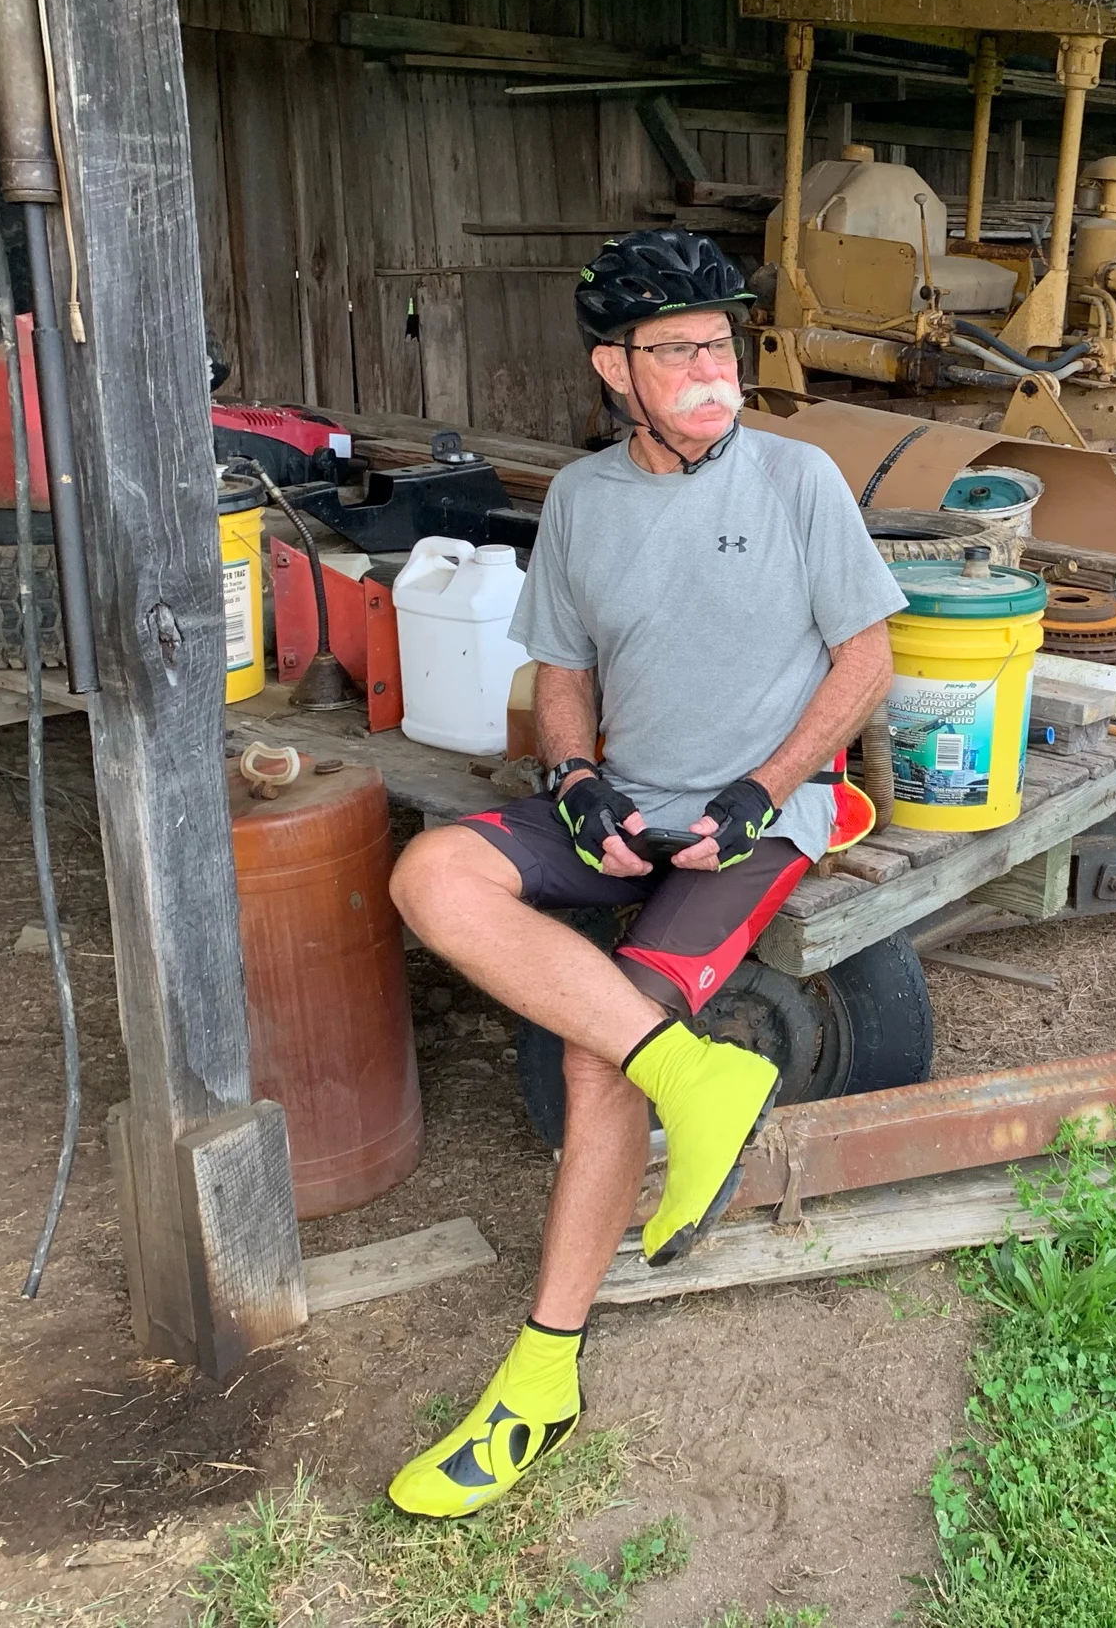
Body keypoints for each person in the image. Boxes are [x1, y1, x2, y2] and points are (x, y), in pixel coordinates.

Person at [381, 230, 905, 1518]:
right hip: (630, 810)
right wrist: (576, 786)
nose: (710, 368)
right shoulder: (582, 502)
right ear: (615, 369)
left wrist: (763, 792)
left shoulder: (798, 480)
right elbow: (562, 681)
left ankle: (537, 1381)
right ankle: (696, 1073)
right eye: (677, 351)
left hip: (759, 819)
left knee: (584, 1051)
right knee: (431, 875)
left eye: (720, 345)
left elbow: (867, 663)